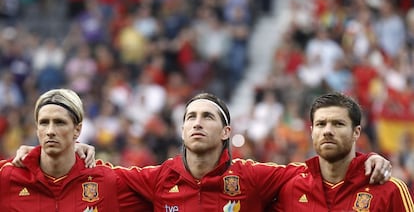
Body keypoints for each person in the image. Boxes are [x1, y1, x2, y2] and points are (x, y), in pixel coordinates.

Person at [12, 92, 391, 211]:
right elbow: (89, 177)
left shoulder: (255, 177)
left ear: (226, 131)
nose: (197, 122)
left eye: (208, 116)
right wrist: (54, 149)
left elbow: (323, 169)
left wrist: (367, 160)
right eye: (190, 116)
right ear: (180, 128)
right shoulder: (154, 180)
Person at [0, 88, 152, 211]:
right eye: (44, 123)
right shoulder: (7, 177)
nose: (50, 131)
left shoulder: (107, 181)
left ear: (77, 130)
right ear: (37, 129)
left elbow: (166, 180)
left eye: (60, 122)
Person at [271, 92, 414, 211]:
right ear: (312, 132)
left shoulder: (390, 190)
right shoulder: (290, 190)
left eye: (338, 124)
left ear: (356, 132)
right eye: (320, 124)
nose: (327, 131)